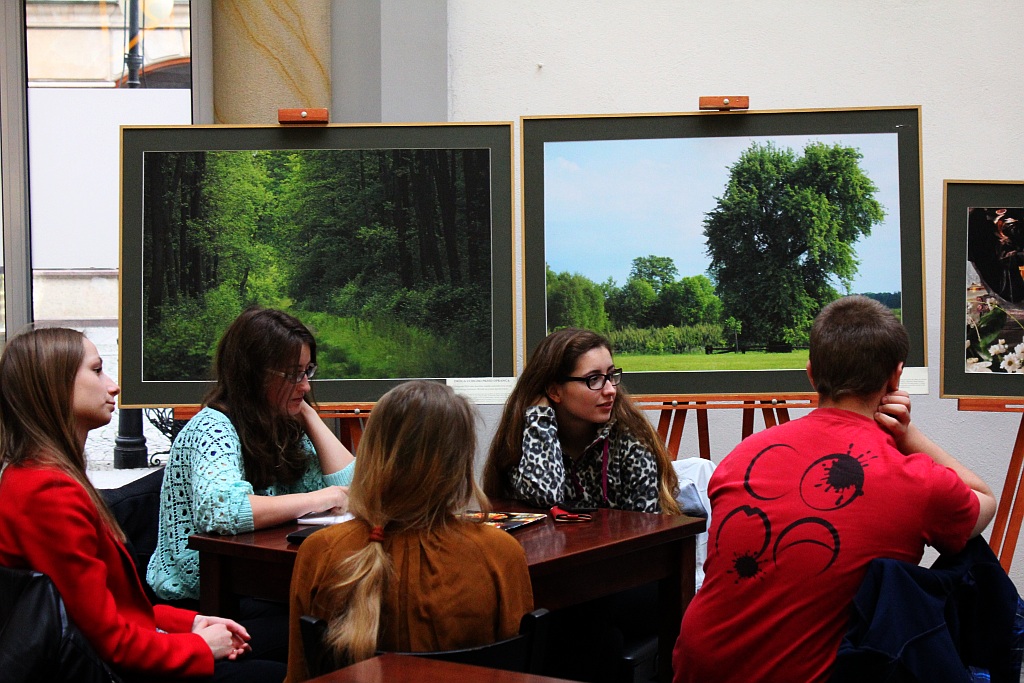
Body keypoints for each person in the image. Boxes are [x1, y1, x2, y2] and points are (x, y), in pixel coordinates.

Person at [672, 295, 997, 683]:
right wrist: (908, 435)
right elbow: (985, 500)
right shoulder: (913, 479)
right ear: (895, 378)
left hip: (692, 671)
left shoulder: (741, 457)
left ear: (810, 373)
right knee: (968, 552)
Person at [0, 327, 285, 681]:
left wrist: (192, 621)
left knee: (295, 635)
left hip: (135, 650)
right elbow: (109, 643)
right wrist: (201, 645)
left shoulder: (33, 475)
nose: (113, 386)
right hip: (122, 671)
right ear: (54, 385)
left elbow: (113, 611)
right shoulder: (48, 492)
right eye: (96, 370)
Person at [285, 380, 533, 682]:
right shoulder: (500, 553)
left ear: (373, 453)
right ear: (460, 461)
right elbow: (517, 674)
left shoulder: (320, 552)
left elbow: (298, 675)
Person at [148, 307, 355, 652]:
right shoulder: (211, 427)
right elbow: (224, 511)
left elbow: (355, 487)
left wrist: (306, 411)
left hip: (261, 585)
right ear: (253, 375)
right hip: (205, 604)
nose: (305, 385)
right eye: (292, 375)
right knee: (335, 637)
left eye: (308, 372)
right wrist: (327, 496)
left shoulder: (283, 424)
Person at [484, 327, 680, 514]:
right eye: (593, 379)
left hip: (619, 549)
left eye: (611, 375)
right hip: (548, 548)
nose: (611, 389)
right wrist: (540, 419)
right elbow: (544, 496)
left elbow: (647, 530)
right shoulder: (524, 438)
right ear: (554, 391)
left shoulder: (631, 440)